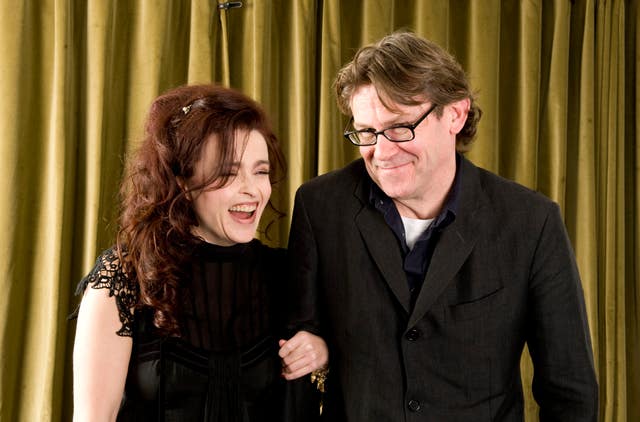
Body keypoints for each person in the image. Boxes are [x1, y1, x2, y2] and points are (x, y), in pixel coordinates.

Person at [286, 31, 598, 421]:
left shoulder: (532, 222)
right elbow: (297, 354)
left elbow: (570, 393)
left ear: (455, 114)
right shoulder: (320, 206)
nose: (381, 152)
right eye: (366, 132)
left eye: (400, 127)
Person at [73, 84, 328, 421]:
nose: (252, 190)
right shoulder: (123, 275)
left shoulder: (287, 273)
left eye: (261, 171)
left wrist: (322, 353)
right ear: (182, 182)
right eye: (227, 173)